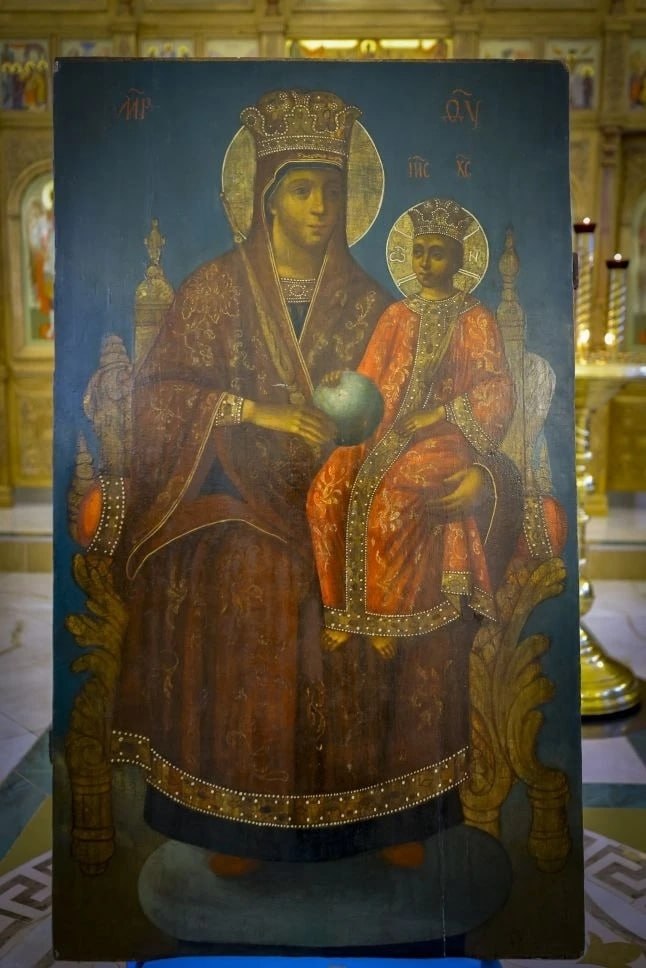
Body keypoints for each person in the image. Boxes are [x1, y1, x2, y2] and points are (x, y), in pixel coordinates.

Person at [111, 89, 394, 873]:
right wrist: (252, 412)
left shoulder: (373, 304)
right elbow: (156, 401)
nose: (321, 207)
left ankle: (364, 816)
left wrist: (356, 433)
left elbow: (400, 405)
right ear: (266, 197)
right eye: (302, 189)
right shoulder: (214, 289)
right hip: (232, 498)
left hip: (343, 500)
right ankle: (238, 815)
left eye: (332, 189)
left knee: (371, 569)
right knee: (253, 567)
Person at [306, 198, 521, 866]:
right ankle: (343, 609)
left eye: (440, 252)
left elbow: (497, 391)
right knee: (329, 488)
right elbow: (370, 384)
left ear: (460, 259)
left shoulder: (476, 318)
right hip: (385, 433)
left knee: (394, 498)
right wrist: (344, 390)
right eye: (420, 251)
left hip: (447, 441)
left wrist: (442, 416)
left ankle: (388, 616)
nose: (428, 261)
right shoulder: (396, 315)